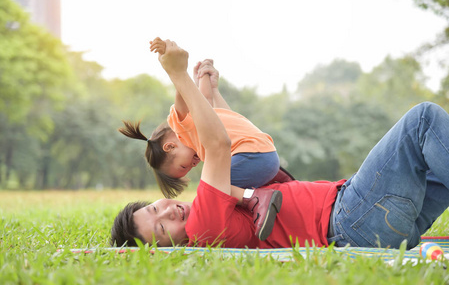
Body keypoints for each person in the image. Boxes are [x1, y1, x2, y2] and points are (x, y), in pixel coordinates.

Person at [111, 38, 449, 250]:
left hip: (377, 223)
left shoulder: (228, 196)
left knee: (433, 160)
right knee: (423, 121)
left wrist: (211, 90)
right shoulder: (203, 225)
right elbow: (218, 145)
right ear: (170, 245)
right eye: (161, 227)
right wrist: (178, 75)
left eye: (156, 208)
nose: (169, 211)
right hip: (354, 220)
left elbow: (233, 135)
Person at [118, 42, 294, 241]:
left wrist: (175, 70)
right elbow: (205, 97)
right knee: (213, 188)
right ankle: (256, 196)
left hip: (254, 156)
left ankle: (254, 199)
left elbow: (185, 95)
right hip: (265, 152)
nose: (194, 164)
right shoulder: (206, 123)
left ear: (170, 146)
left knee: (210, 190)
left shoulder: (182, 124)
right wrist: (204, 77)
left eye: (184, 165)